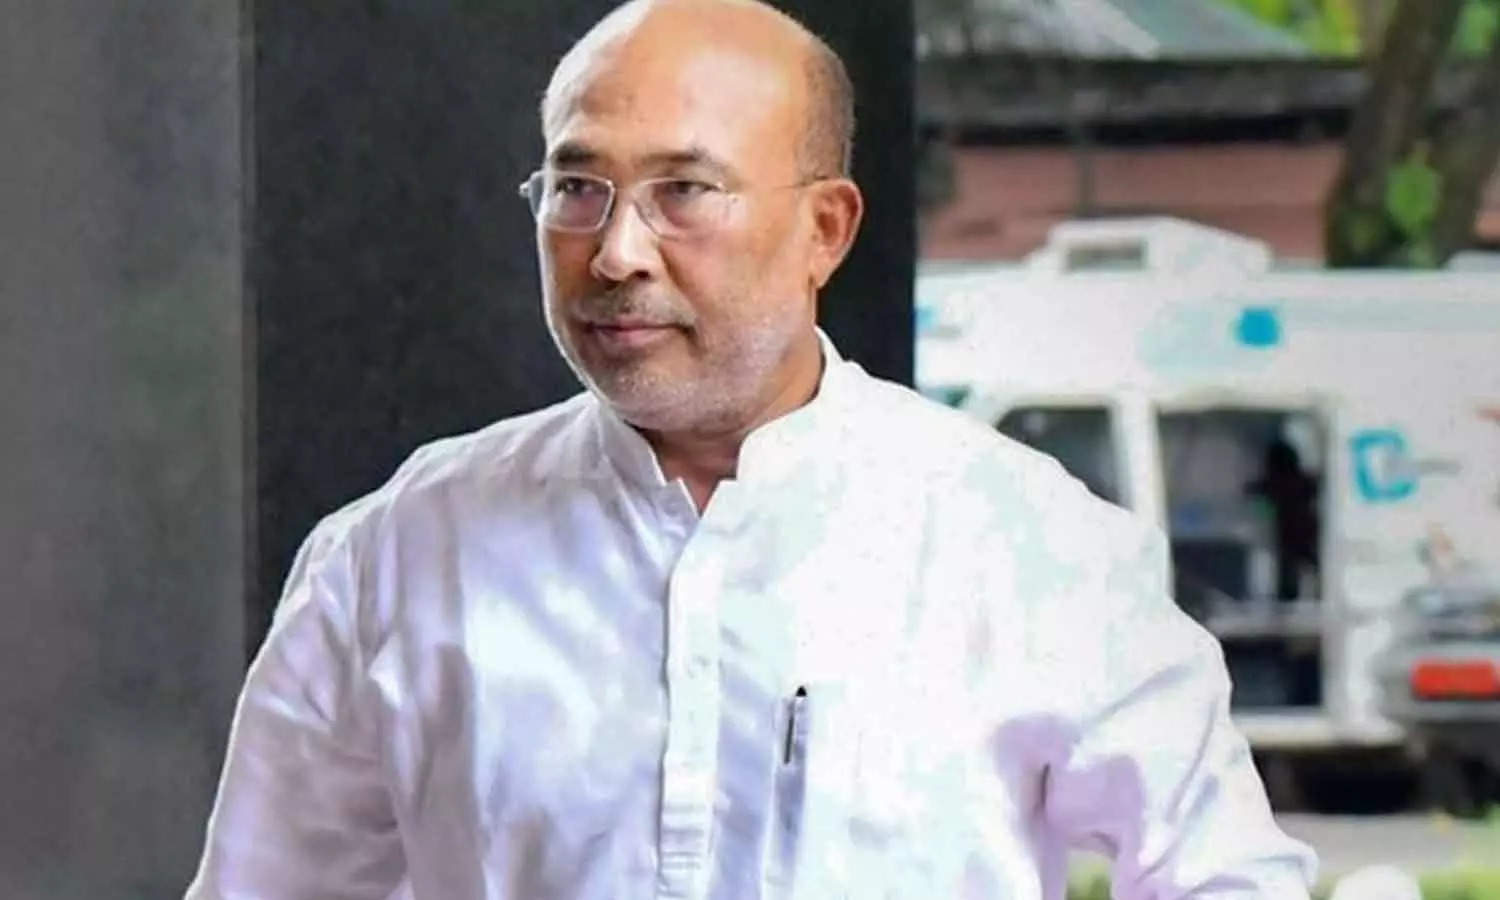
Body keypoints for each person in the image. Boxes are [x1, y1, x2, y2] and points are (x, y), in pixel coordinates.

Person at [184, 0, 1319, 897]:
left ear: (825, 228)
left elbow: (1226, 876)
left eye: (684, 191)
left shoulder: (1025, 543)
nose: (616, 251)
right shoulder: (401, 554)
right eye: (577, 187)